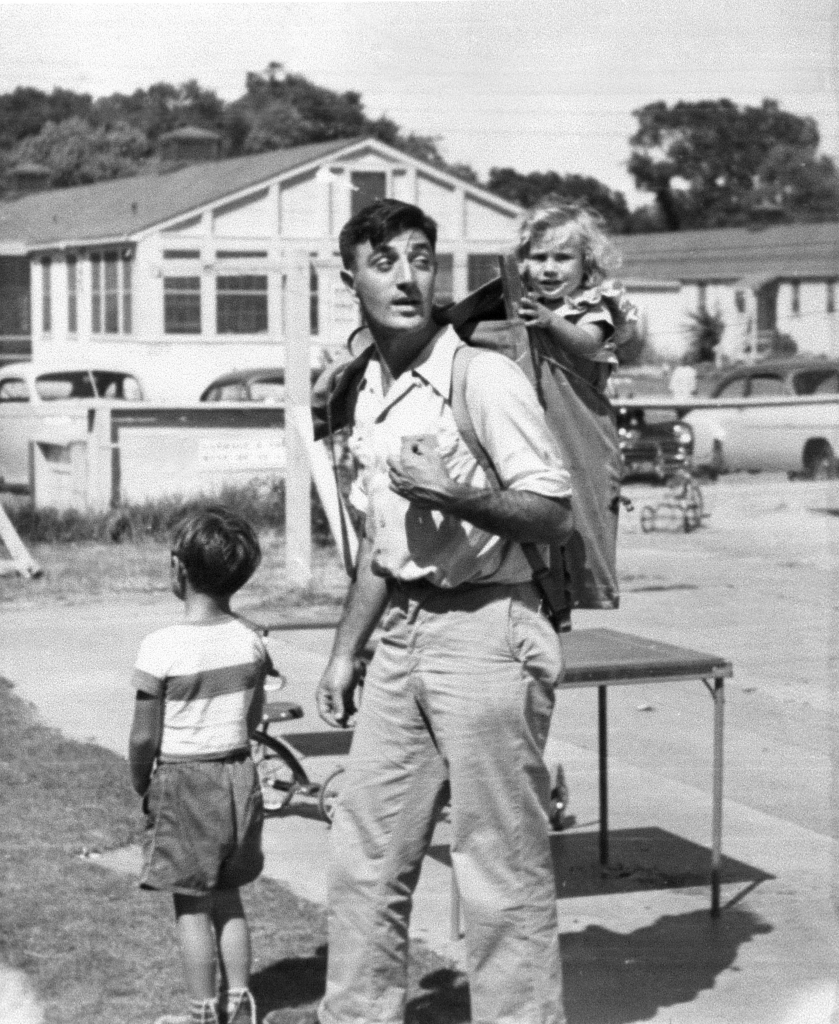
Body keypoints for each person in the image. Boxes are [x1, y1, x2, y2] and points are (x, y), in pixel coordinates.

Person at [315, 199, 574, 1024]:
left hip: (488, 629)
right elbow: (376, 546)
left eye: (420, 259)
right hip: (399, 638)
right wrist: (342, 652)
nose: (405, 276)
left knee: (496, 868)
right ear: (348, 275)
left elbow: (552, 512)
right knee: (364, 858)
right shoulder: (365, 389)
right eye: (384, 260)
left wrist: (455, 493)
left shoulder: (481, 376)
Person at [128, 507, 270, 1024]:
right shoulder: (250, 640)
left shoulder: (160, 646)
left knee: (191, 905)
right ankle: (240, 1001)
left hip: (185, 780)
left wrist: (142, 779)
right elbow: (252, 716)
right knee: (228, 896)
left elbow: (145, 735)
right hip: (238, 775)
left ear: (177, 569)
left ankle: (201, 1011)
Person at [516, 198, 638, 394]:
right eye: (539, 257)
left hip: (581, 404)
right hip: (546, 397)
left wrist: (551, 320)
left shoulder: (589, 303)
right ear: (525, 262)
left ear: (586, 262)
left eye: (562, 258)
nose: (549, 269)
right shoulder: (532, 304)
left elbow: (589, 344)